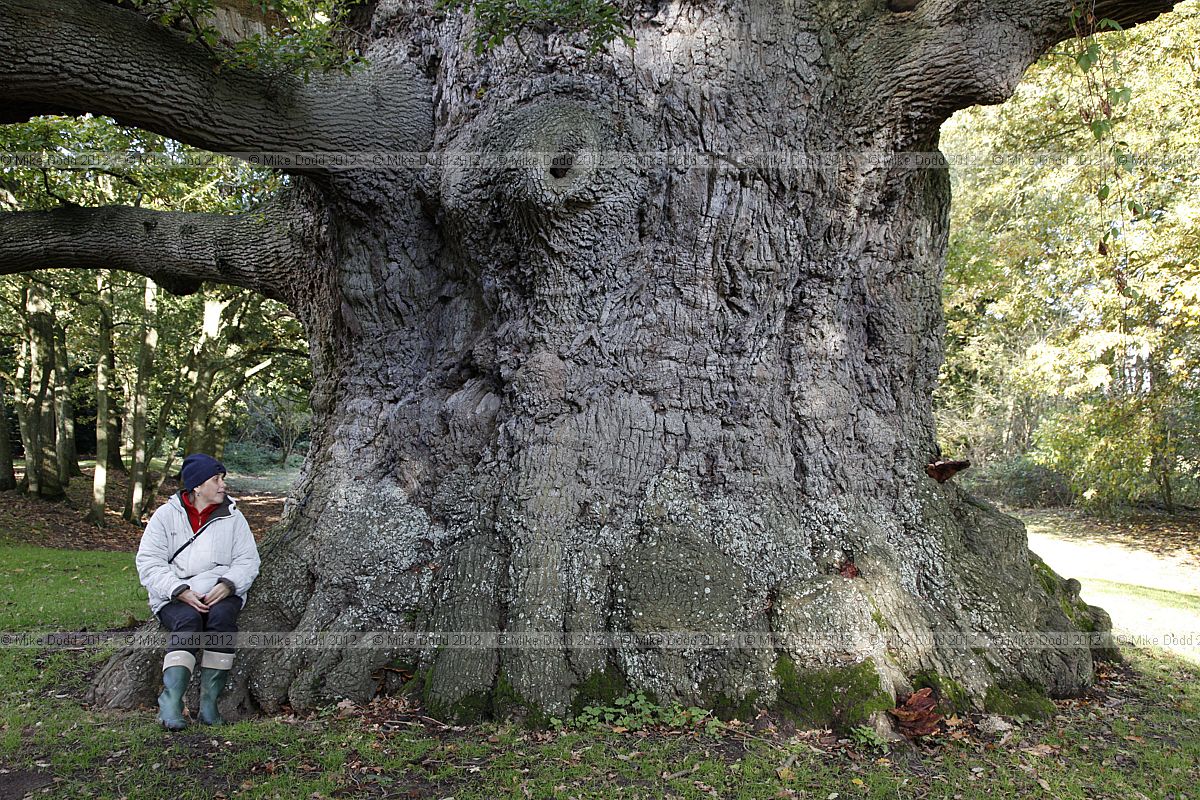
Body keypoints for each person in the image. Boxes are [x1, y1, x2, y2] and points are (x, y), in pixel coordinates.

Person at [136, 453, 260, 730]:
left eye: (222, 479)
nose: (222, 485)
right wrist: (178, 589)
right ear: (196, 486)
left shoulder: (233, 517)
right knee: (188, 622)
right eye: (215, 479)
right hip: (175, 594)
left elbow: (248, 560)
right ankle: (170, 703)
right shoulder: (166, 516)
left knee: (221, 622)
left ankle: (208, 705)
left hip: (220, 590)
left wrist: (228, 584)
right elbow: (149, 561)